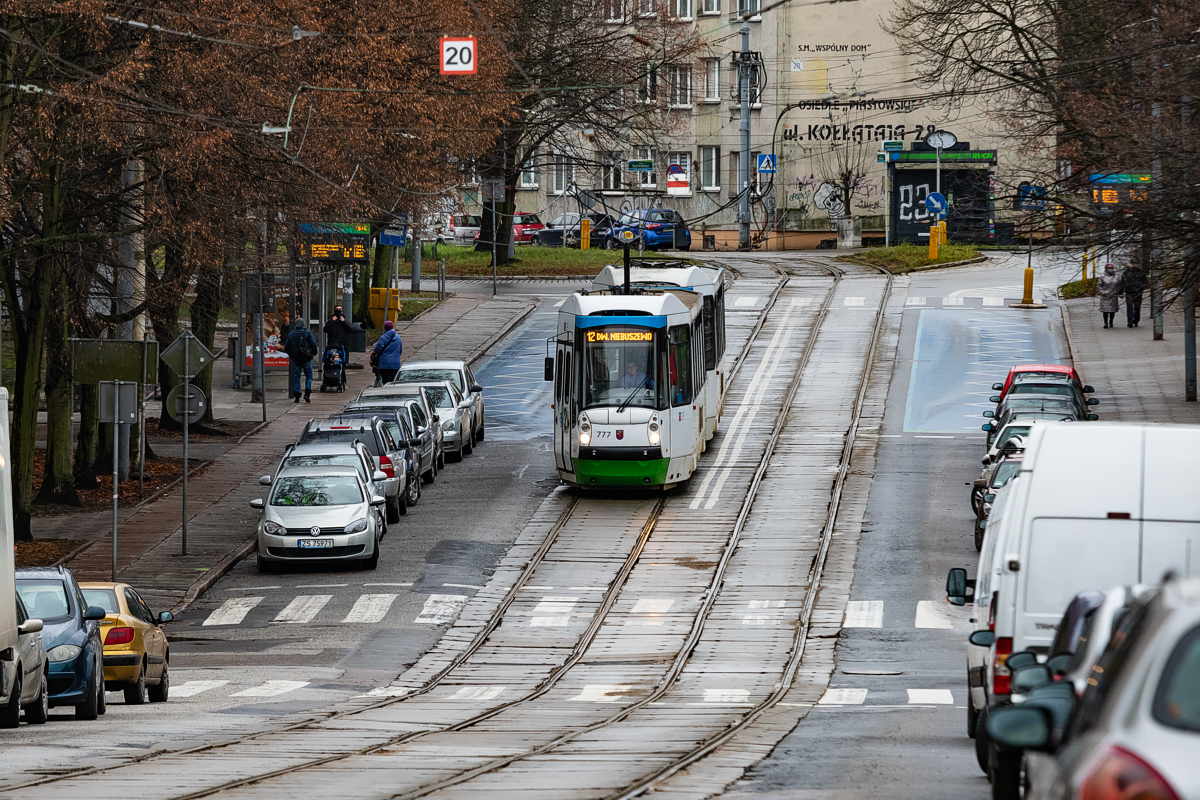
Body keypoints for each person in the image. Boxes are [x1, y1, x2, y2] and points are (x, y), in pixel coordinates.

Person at [284, 320, 319, 402]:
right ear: (303, 324)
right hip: (306, 358)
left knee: (297, 377)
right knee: (309, 376)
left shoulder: (291, 334)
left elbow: (286, 348)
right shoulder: (308, 332)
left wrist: (293, 356)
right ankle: (307, 393)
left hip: (296, 359)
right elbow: (313, 344)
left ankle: (297, 395)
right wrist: (313, 353)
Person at [373, 319, 403, 384]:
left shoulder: (383, 338)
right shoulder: (398, 337)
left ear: (385, 328)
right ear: (392, 327)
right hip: (395, 364)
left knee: (386, 382)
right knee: (394, 382)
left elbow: (378, 349)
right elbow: (400, 350)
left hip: (385, 364)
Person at [1097, 263, 1120, 329]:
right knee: (1105, 310)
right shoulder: (1102, 277)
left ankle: (1111, 321)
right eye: (1108, 268)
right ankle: (1105, 322)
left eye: (1111, 268)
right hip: (1105, 296)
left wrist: (1119, 293)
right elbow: (1099, 286)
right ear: (1106, 269)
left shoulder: (1116, 277)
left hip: (1113, 295)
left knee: (1112, 310)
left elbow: (1119, 286)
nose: (1110, 270)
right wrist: (1103, 292)